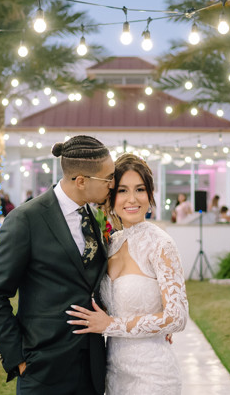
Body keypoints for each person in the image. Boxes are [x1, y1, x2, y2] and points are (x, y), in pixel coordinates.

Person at [0, 135, 114, 394]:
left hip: (93, 369)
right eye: (108, 177)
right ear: (81, 181)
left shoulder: (92, 215)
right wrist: (17, 358)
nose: (112, 183)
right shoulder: (25, 220)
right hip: (42, 369)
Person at [67, 153, 187, 395]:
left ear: (150, 195)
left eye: (140, 189)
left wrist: (111, 325)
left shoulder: (161, 244)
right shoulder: (110, 243)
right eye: (122, 190)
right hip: (113, 372)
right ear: (111, 196)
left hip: (153, 375)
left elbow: (177, 317)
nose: (132, 199)